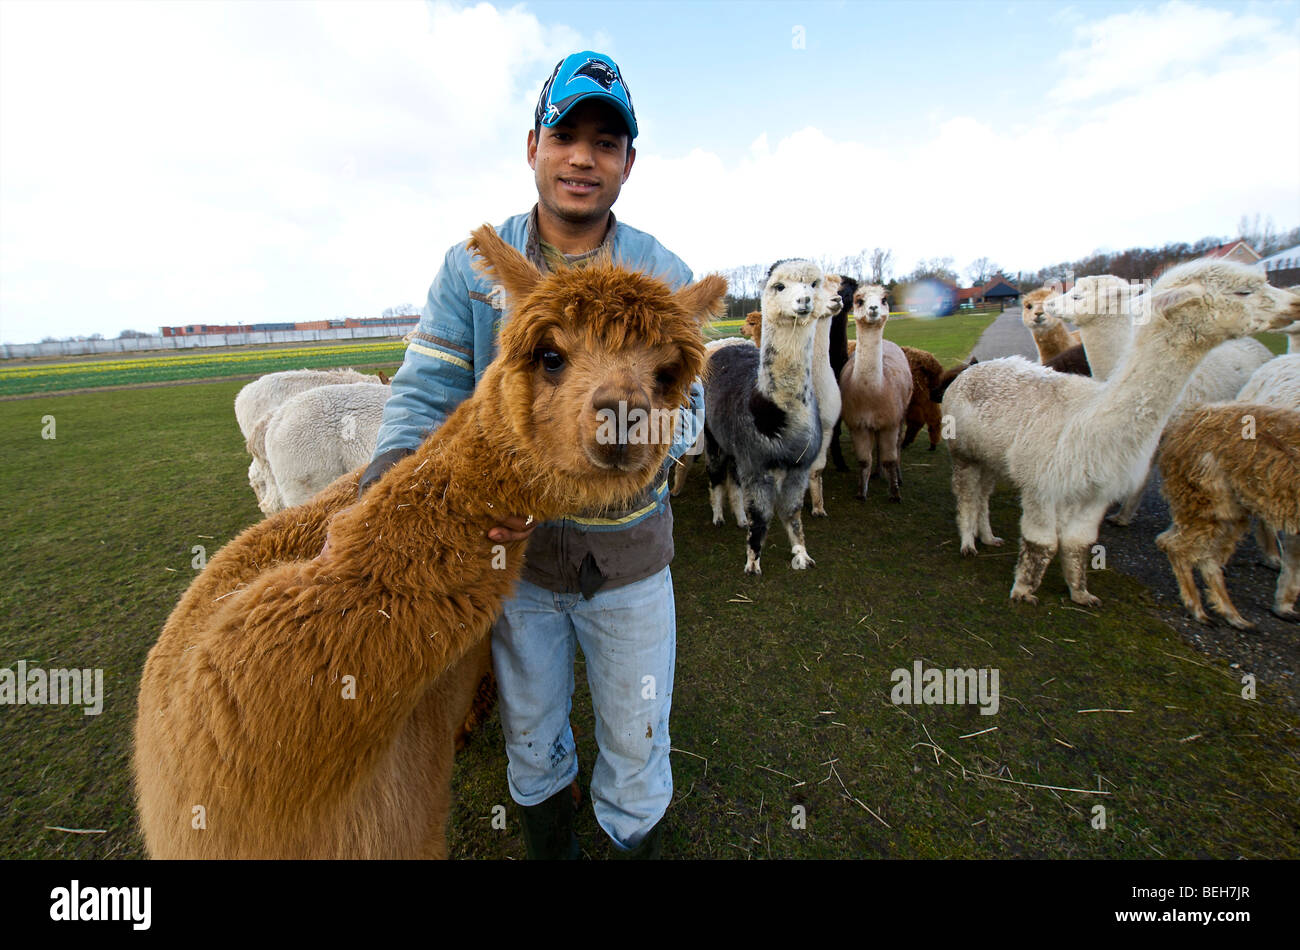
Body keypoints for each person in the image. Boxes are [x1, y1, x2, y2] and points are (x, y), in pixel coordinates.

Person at [359, 51, 704, 859]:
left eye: (606, 142)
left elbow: (684, 410)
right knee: (530, 729)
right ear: (533, 147)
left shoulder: (661, 274)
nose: (584, 157)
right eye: (566, 134)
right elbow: (426, 388)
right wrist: (380, 488)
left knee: (636, 733)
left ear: (627, 163)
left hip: (628, 563)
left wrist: (626, 446)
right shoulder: (475, 271)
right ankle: (551, 841)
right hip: (510, 563)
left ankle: (630, 833)